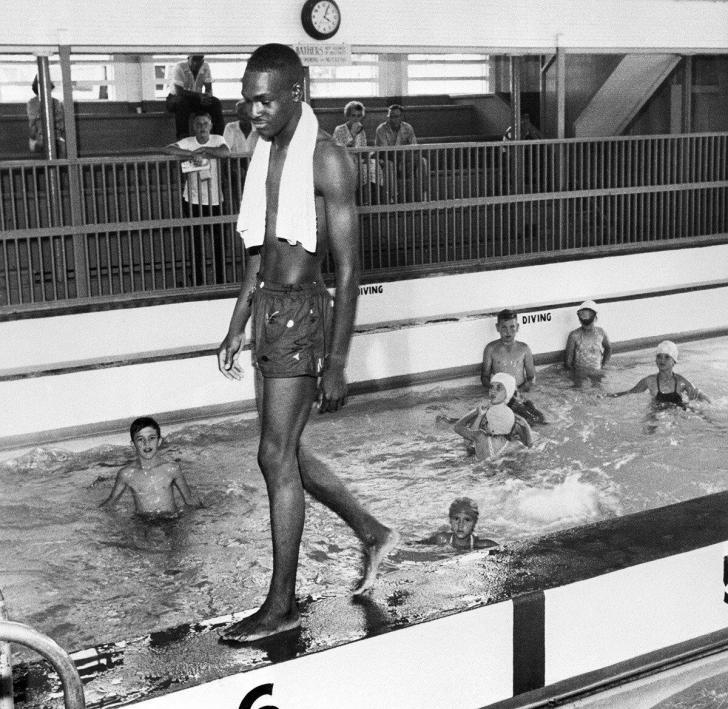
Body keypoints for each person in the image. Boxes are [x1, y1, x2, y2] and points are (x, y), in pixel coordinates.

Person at [216, 43, 399, 644]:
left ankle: (282, 605)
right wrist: (238, 320)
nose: (253, 110)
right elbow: (260, 249)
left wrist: (339, 360)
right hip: (269, 307)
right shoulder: (267, 153)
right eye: (247, 99)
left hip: (301, 313)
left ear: (296, 91)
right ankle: (370, 530)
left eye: (264, 98)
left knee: (273, 455)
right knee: (283, 449)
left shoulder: (327, 160)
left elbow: (349, 271)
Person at [161, 112, 230, 284]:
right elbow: (168, 149)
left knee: (219, 244)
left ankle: (221, 281)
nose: (202, 127)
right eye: (198, 124)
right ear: (193, 127)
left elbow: (225, 152)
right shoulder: (188, 142)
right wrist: (191, 154)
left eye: (205, 124)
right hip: (192, 201)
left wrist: (205, 150)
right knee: (195, 245)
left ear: (211, 125)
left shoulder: (218, 139)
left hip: (215, 201)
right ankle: (198, 282)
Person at [100, 417, 203, 517]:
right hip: (143, 522)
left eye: (152, 438)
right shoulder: (126, 474)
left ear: (159, 441)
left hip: (171, 520)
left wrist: (205, 511)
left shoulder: (171, 469)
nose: (146, 443)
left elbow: (189, 500)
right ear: (133, 444)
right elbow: (110, 502)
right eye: (140, 439)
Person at [481, 309, 546, 424]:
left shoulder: (524, 349)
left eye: (512, 327)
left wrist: (518, 391)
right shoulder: (491, 349)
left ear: (518, 327)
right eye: (504, 327)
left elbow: (532, 378)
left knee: (539, 419)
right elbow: (484, 377)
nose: (508, 332)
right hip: (500, 394)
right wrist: (497, 392)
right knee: (488, 420)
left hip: (519, 392)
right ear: (497, 327)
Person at [453, 373, 533, 460]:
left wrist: (477, 412)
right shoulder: (514, 431)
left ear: (508, 392)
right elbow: (528, 449)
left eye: (499, 388)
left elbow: (459, 428)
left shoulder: (516, 420)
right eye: (491, 387)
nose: (493, 391)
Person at [610, 340, 711, 406]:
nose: (662, 360)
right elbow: (629, 392)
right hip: (656, 412)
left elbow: (698, 393)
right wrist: (607, 396)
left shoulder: (681, 382)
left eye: (667, 357)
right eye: (659, 356)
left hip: (678, 411)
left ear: (674, 361)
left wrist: (704, 399)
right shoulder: (650, 381)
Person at [374, 104, 427, 201]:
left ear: (401, 117)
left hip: (404, 160)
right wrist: (400, 157)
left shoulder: (408, 128)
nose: (393, 119)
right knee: (389, 164)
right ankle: (393, 197)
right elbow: (385, 151)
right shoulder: (381, 129)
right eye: (391, 116)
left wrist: (404, 159)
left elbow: (414, 147)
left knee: (422, 161)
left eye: (396, 116)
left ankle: (422, 195)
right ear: (388, 116)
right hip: (386, 160)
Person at [165, 54, 225, 139]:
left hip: (195, 99)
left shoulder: (205, 66)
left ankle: (219, 138)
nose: (196, 63)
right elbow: (179, 92)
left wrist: (207, 97)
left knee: (215, 102)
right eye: (194, 60)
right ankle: (183, 138)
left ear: (203, 61)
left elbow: (208, 88)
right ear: (188, 59)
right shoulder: (180, 67)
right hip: (175, 98)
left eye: (199, 60)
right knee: (182, 103)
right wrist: (200, 95)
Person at [332, 100, 380, 201]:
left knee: (373, 166)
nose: (356, 118)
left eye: (359, 116)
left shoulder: (361, 130)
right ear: (348, 116)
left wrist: (367, 156)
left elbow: (363, 147)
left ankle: (370, 202)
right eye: (353, 115)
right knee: (358, 168)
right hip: (344, 160)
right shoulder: (339, 129)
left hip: (358, 159)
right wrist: (353, 134)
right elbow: (338, 149)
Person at [419, 497, 498, 551]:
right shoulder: (441, 539)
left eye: (467, 520)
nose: (460, 525)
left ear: (474, 523)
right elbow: (415, 545)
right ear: (450, 521)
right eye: (456, 519)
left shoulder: (485, 545)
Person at [564, 299, 612, 382]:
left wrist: (603, 365)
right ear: (596, 318)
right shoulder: (574, 335)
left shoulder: (601, 332)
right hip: (581, 372)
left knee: (596, 390)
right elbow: (568, 362)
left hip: (595, 371)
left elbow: (609, 348)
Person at [27, 76, 66, 157]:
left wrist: (32, 139)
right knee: (61, 148)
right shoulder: (56, 102)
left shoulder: (32, 103)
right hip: (56, 137)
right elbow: (62, 125)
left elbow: (32, 124)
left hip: (40, 138)